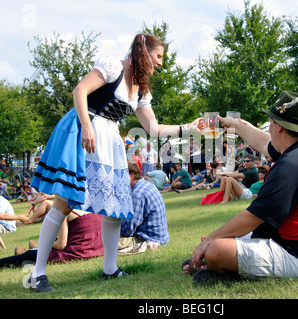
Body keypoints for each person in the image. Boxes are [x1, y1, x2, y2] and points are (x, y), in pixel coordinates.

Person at [29, 33, 202, 292]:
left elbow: (152, 128)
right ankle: (37, 274)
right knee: (64, 204)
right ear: (144, 52)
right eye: (159, 56)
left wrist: (186, 127)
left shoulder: (141, 90)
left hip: (109, 141)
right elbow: (80, 91)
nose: (161, 63)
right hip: (83, 130)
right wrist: (86, 126)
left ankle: (110, 268)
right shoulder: (113, 67)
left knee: (115, 209)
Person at [185, 91, 298, 285]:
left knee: (216, 249)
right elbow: (263, 141)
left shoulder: (291, 165)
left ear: (279, 127)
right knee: (218, 243)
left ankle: (221, 267)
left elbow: (252, 218)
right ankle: (216, 263)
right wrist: (234, 124)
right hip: (295, 243)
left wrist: (209, 243)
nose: (269, 127)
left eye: (271, 122)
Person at [0, 210, 104, 271]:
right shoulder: (96, 208)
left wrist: (46, 244)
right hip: (96, 250)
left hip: (77, 252)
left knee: (31, 254)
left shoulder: (66, 211)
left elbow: (61, 245)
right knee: (34, 254)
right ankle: (30, 252)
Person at [120, 160, 169, 250]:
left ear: (131, 175)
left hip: (149, 238)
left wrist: (115, 227)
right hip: (160, 237)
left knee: (107, 241)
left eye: (121, 175)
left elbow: (128, 230)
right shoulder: (147, 185)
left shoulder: (137, 194)